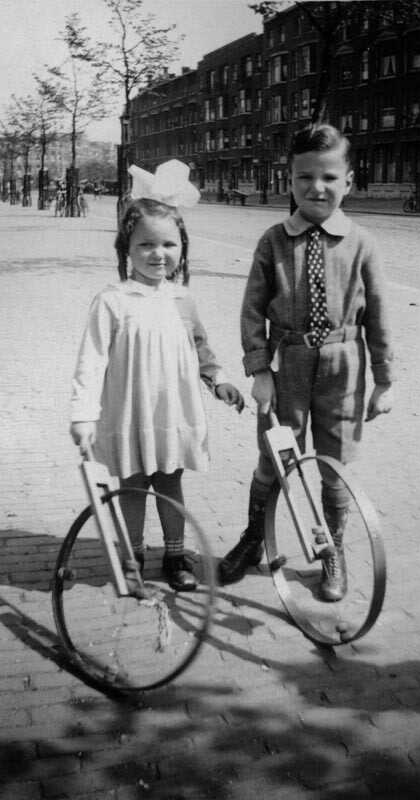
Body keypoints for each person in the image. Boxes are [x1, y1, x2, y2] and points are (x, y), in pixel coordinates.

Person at [218, 124, 394, 601]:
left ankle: (331, 550)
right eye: (305, 177)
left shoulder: (361, 243)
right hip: (288, 365)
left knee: (335, 464)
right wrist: (260, 372)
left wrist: (384, 381)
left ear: (348, 182)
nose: (317, 188)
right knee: (275, 456)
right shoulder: (273, 241)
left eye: (329, 177)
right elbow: (252, 310)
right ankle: (254, 537)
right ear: (290, 180)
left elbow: (379, 314)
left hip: (344, 366)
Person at [70, 160, 244, 592]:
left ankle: (174, 555)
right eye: (146, 244)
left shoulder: (182, 298)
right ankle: (131, 557)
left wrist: (218, 379)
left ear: (182, 247)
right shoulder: (112, 301)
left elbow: (200, 346)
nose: (158, 253)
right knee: (132, 484)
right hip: (130, 411)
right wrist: (83, 414)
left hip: (171, 411)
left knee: (169, 481)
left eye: (168, 244)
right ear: (126, 249)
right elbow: (91, 359)